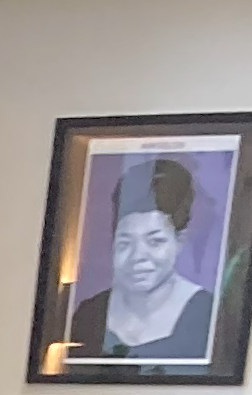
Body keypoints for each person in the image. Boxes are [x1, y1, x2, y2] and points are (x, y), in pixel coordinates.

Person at [66, 155, 218, 364]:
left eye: (155, 241)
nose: (138, 257)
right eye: (125, 243)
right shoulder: (89, 313)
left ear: (179, 241)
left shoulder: (208, 315)